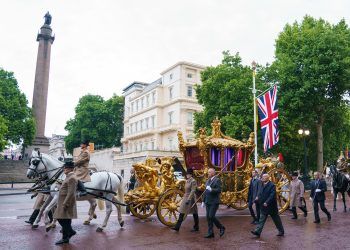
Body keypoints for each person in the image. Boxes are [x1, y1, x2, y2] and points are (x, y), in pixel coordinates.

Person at [54, 161, 78, 245]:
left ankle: (71, 231)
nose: (64, 169)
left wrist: (65, 203)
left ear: (70, 169)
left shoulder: (72, 178)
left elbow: (71, 193)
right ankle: (65, 238)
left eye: (66, 167)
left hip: (66, 202)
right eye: (64, 167)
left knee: (59, 217)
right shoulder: (68, 176)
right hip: (63, 201)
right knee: (66, 220)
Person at [203, 167, 225, 238]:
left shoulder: (217, 180)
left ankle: (221, 227)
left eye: (209, 172)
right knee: (208, 217)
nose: (208, 173)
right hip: (207, 201)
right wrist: (203, 201)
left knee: (211, 216)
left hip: (214, 201)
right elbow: (205, 192)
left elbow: (219, 190)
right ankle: (210, 232)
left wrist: (211, 189)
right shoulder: (208, 181)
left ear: (213, 173)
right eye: (208, 172)